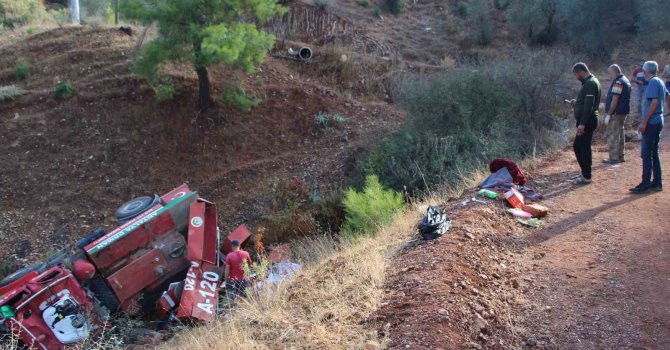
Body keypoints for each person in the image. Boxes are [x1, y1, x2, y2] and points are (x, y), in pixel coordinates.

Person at [630, 61, 665, 193]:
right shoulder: (659, 81)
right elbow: (666, 96)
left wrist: (644, 122)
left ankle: (645, 183)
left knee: (646, 153)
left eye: (643, 72)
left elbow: (654, 102)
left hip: (651, 122)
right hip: (657, 120)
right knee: (654, 153)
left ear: (646, 71)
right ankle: (656, 182)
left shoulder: (653, 82)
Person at [571, 62, 601, 185]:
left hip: (587, 120)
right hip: (587, 119)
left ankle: (587, 175)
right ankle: (585, 172)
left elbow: (589, 106)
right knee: (580, 146)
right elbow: (586, 102)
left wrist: (582, 124)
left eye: (576, 75)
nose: (576, 77)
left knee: (581, 147)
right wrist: (577, 102)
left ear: (581, 72)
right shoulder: (591, 82)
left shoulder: (590, 83)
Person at [603, 64, 631, 164]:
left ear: (614, 72)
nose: (609, 75)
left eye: (610, 73)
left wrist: (609, 114)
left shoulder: (618, 82)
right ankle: (620, 156)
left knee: (613, 134)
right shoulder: (625, 80)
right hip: (623, 112)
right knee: (620, 133)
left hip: (616, 113)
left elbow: (615, 99)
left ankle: (614, 158)